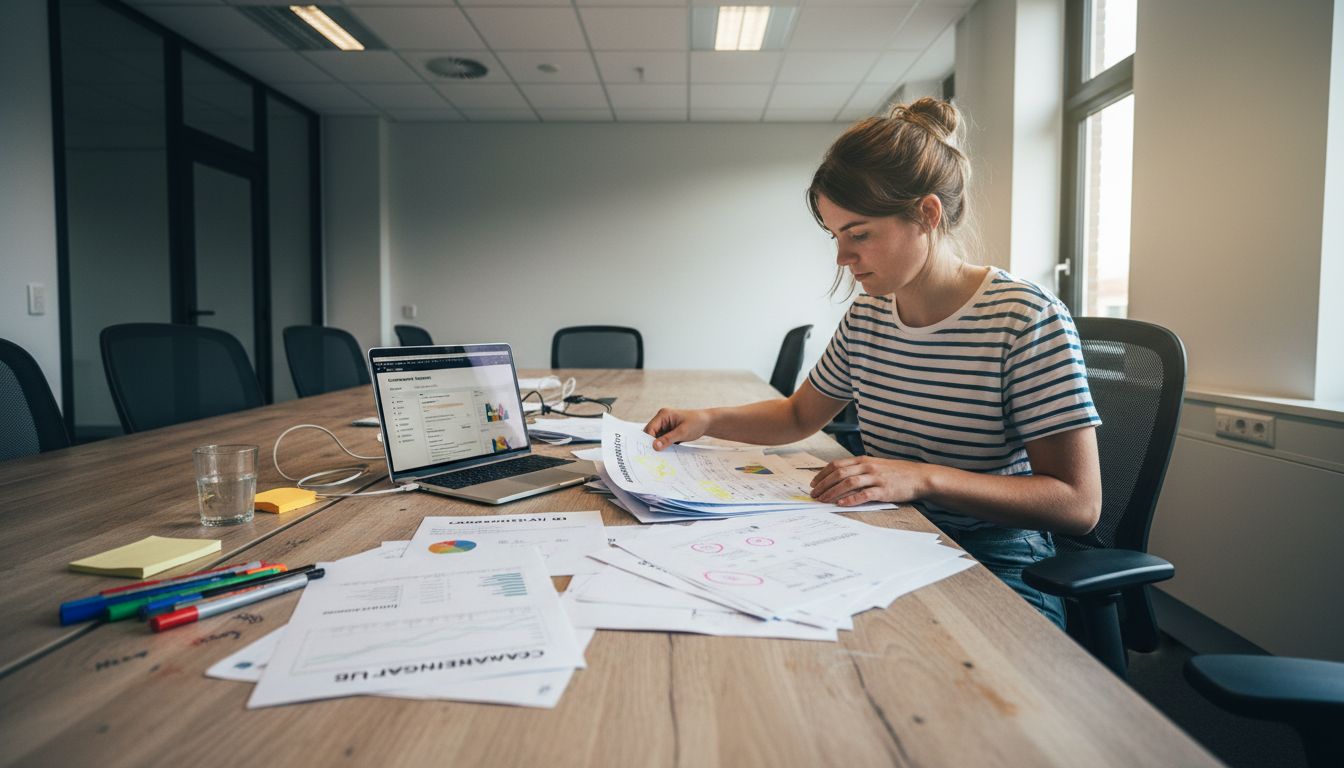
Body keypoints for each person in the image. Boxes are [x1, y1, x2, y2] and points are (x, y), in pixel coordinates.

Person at [642, 98, 1101, 629]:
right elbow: (798, 415)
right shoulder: (870, 314)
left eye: (859, 234)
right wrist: (706, 419)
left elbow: (1078, 504)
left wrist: (922, 479)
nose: (842, 258)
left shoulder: (1024, 317)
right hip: (888, 533)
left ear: (927, 215)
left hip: (994, 552)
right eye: (836, 236)